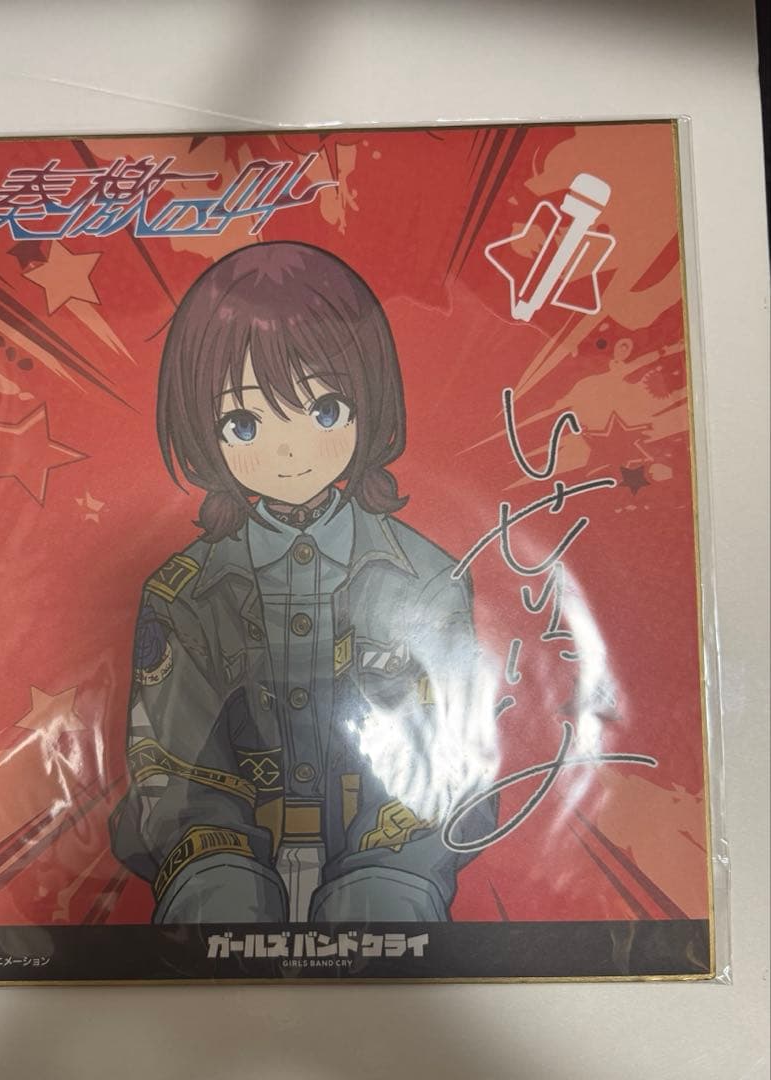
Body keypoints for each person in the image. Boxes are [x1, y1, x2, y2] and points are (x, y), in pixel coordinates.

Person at [110, 241, 496, 924]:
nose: (287, 449)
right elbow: (170, 762)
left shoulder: (427, 580)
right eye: (244, 422)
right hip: (215, 878)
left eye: (323, 411)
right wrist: (213, 875)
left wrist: (392, 876)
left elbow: (449, 754)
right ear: (205, 430)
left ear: (368, 403)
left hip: (389, 876)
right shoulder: (183, 592)